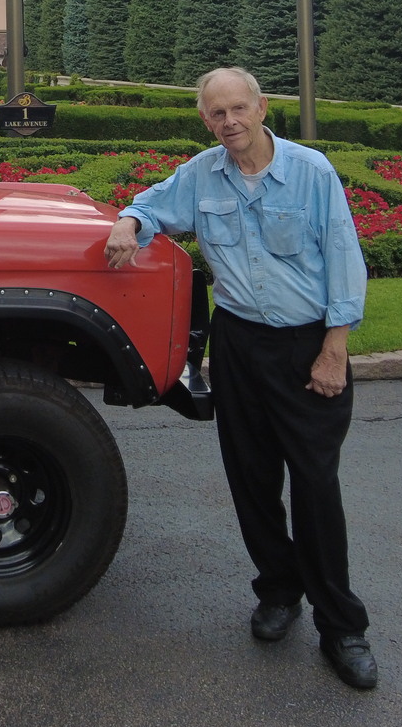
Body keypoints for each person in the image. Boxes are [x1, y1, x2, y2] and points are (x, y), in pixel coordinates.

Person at [103, 67, 378, 690]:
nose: (228, 122)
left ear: (261, 107)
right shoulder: (202, 172)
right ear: (205, 119)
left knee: (314, 486)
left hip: (307, 347)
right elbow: (150, 206)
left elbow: (343, 259)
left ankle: (343, 626)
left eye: (237, 109)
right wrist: (129, 224)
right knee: (252, 481)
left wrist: (334, 350)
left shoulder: (311, 172)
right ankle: (279, 592)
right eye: (216, 114)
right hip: (239, 345)